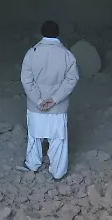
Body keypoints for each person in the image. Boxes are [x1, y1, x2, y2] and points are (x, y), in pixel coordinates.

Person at [20, 20, 79, 180]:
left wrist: (38, 101)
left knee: (35, 137)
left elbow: (26, 80)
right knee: (58, 139)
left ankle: (32, 164)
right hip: (57, 108)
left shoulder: (32, 53)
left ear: (42, 33)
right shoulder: (67, 55)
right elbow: (71, 80)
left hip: (35, 107)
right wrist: (54, 99)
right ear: (58, 33)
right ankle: (58, 172)